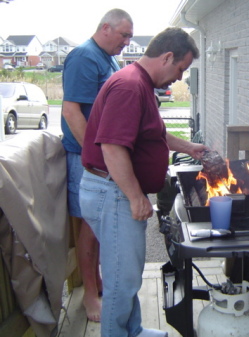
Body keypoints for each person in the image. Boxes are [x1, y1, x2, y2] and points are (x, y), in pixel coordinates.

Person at [79, 27, 207, 337]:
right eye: (180, 68)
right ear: (166, 57)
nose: (179, 77)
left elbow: (154, 135)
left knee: (127, 274)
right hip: (113, 193)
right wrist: (137, 198)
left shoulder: (140, 84)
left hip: (115, 191)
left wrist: (189, 148)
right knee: (121, 280)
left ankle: (132, 331)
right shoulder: (129, 87)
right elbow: (112, 147)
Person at [61, 8, 133, 322]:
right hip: (85, 159)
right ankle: (89, 295)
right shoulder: (84, 57)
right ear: (105, 28)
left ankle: (99, 280)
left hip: (104, 158)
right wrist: (97, 158)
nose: (127, 43)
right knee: (89, 227)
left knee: (102, 223)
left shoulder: (110, 59)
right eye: (124, 35)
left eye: (130, 37)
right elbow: (71, 112)